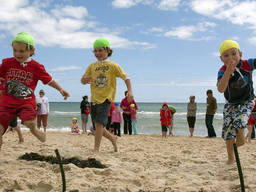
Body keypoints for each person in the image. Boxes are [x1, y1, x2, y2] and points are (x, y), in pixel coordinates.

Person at [0, 32, 70, 150]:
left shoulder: (36, 67)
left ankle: (35, 130)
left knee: (29, 123)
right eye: (15, 50)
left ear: (31, 50)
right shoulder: (7, 63)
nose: (18, 54)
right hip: (7, 102)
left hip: (25, 102)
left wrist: (60, 89)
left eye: (21, 51)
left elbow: (49, 80)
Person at [81, 38, 133, 153]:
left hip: (107, 98)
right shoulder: (92, 66)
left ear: (108, 51)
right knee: (97, 127)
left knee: (99, 124)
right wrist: (86, 79)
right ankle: (112, 138)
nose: (97, 53)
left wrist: (130, 91)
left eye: (100, 50)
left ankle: (96, 149)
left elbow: (126, 77)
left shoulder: (113, 65)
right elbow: (82, 80)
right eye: (95, 51)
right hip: (94, 98)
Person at [217, 40, 255, 164]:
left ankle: (241, 138)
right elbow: (221, 89)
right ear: (221, 59)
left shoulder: (247, 64)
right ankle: (230, 158)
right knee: (228, 132)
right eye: (226, 56)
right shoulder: (222, 70)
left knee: (240, 121)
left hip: (246, 101)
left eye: (233, 54)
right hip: (230, 103)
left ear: (240, 54)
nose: (230, 58)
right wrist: (228, 71)